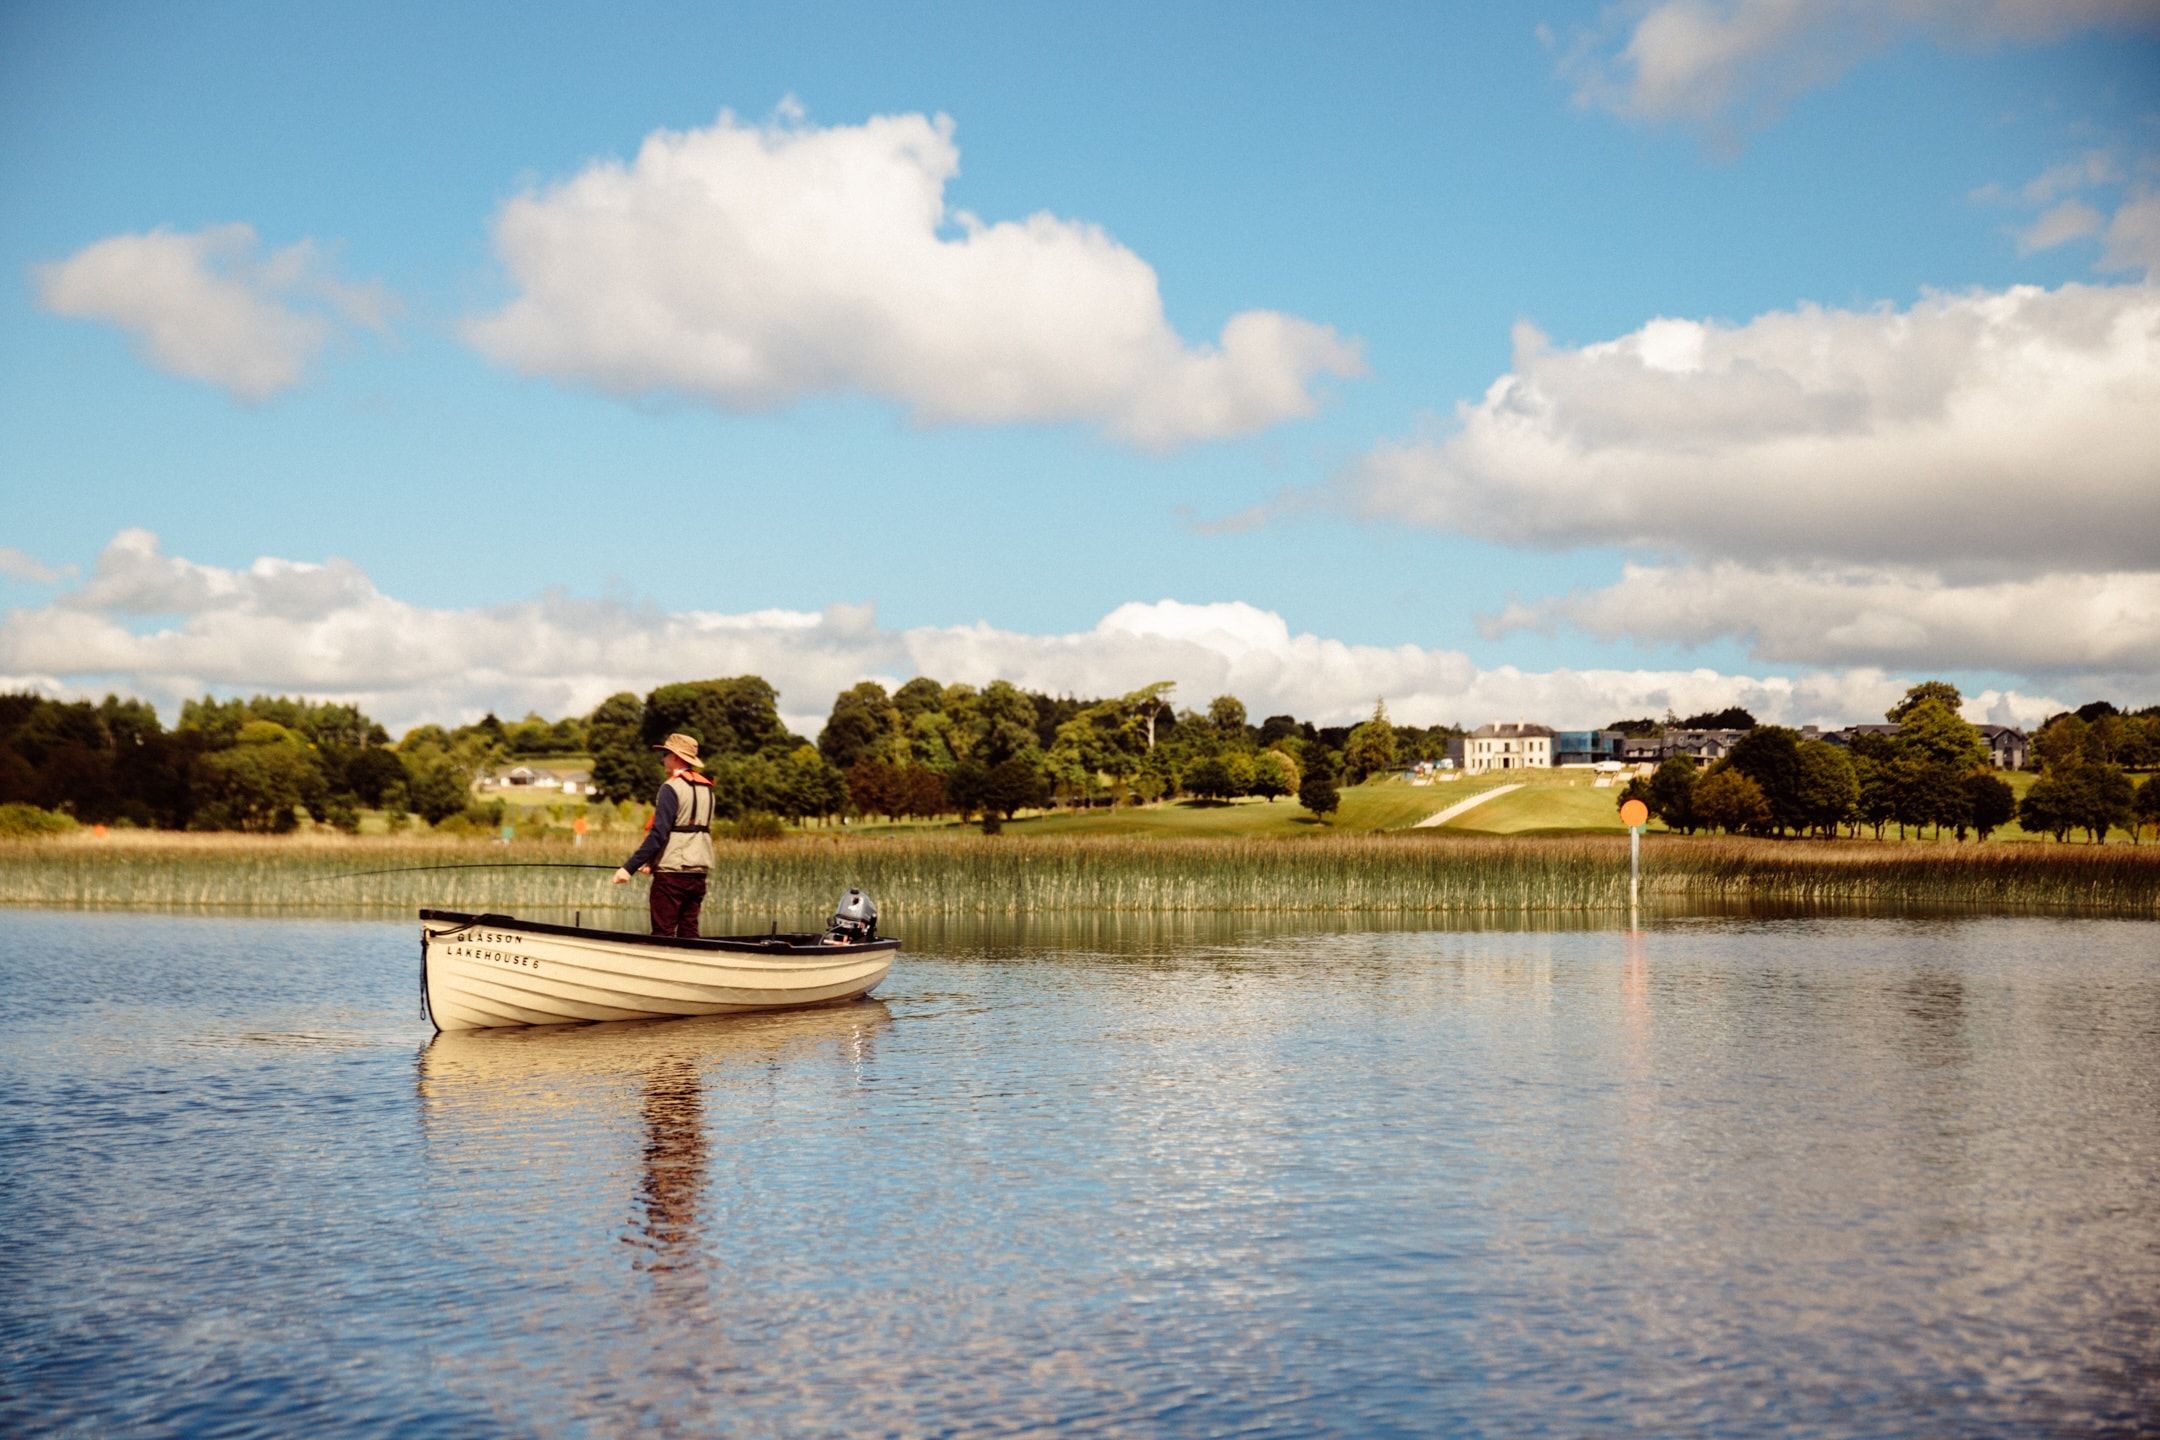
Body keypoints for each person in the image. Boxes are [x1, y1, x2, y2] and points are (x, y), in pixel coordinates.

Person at [612, 732, 716, 936]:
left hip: (671, 873)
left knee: (663, 932)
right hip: (699, 871)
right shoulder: (708, 789)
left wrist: (628, 868)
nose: (662, 759)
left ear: (677, 757)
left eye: (666, 754)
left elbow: (659, 833)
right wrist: (651, 863)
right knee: (689, 931)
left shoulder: (670, 788)